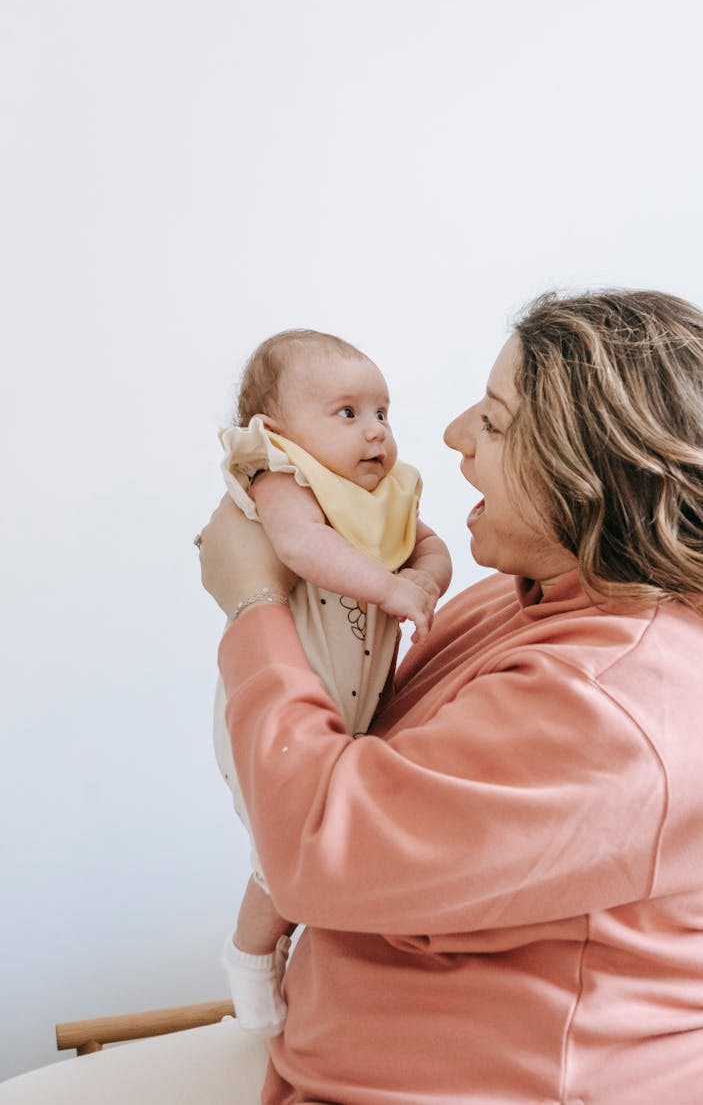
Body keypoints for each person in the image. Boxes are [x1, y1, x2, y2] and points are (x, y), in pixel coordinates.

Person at [197, 290, 703, 1103]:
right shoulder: (529, 597)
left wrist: (254, 606)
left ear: (584, 472)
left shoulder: (612, 703)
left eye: (492, 422)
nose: (452, 435)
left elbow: (316, 842)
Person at [212, 329, 452, 1037]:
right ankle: (251, 953)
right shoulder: (278, 479)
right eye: (346, 413)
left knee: (325, 847)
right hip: (272, 709)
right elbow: (299, 546)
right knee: (280, 852)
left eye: (382, 411)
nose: (375, 430)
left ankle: (305, 952)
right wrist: (387, 585)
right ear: (276, 432)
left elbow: (432, 548)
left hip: (350, 716)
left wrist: (421, 582)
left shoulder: (381, 500)